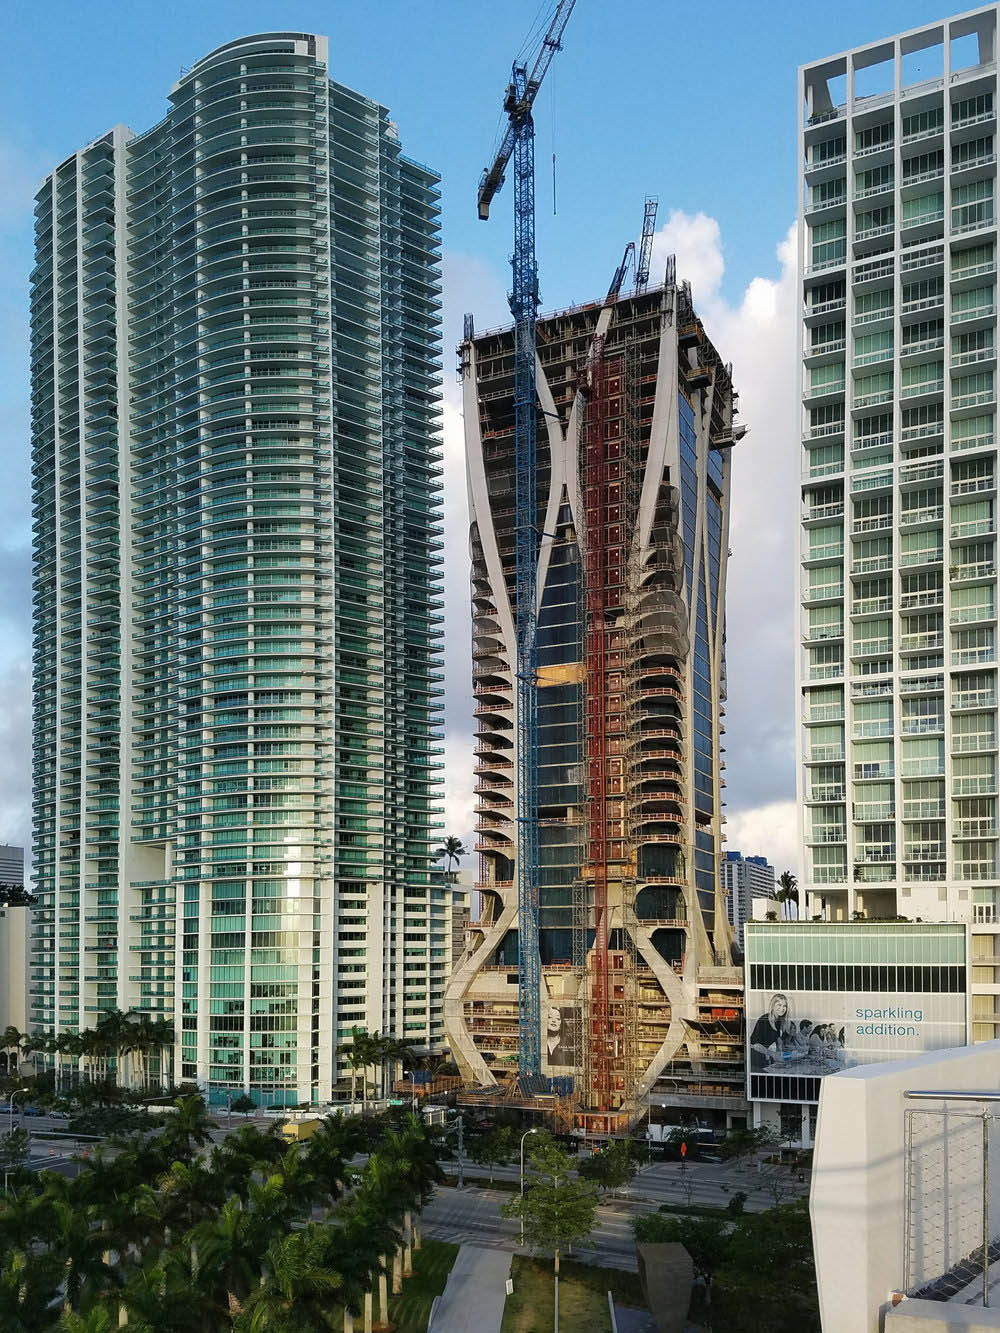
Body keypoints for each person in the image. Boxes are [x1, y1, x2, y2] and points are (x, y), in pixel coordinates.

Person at [749, 993, 789, 1071]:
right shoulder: (764, 1020)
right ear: (773, 1005)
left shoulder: (779, 1021)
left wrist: (780, 1052)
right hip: (754, 1056)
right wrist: (774, 1054)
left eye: (784, 1006)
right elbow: (755, 1045)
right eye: (779, 1005)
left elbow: (778, 1038)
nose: (782, 1008)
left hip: (763, 1055)